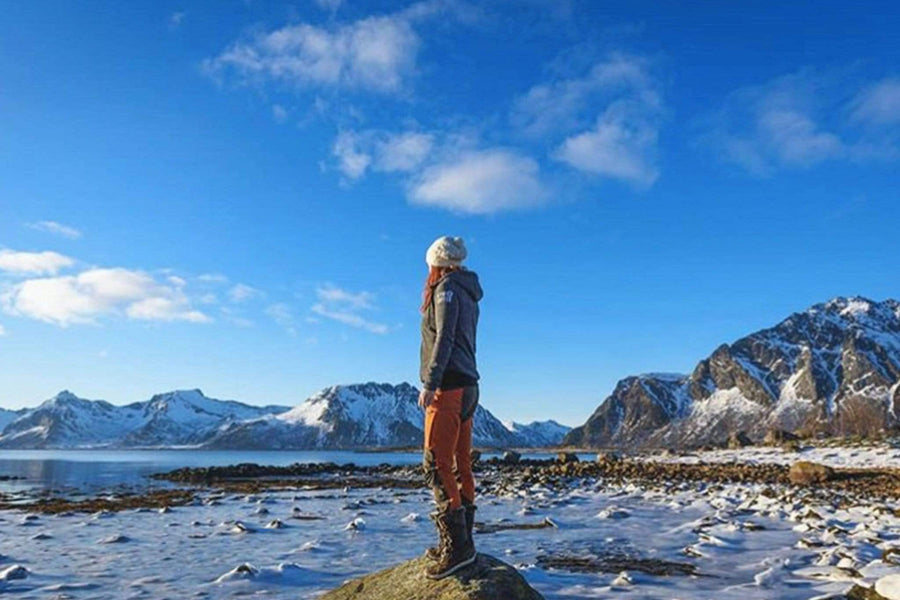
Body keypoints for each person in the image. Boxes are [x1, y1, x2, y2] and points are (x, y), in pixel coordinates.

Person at [418, 235, 483, 580]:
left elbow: (443, 338)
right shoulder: (467, 289)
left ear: (438, 263)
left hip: (450, 386)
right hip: (470, 384)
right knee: (459, 463)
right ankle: (464, 543)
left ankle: (457, 549)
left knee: (436, 463)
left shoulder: (446, 289)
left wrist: (430, 383)